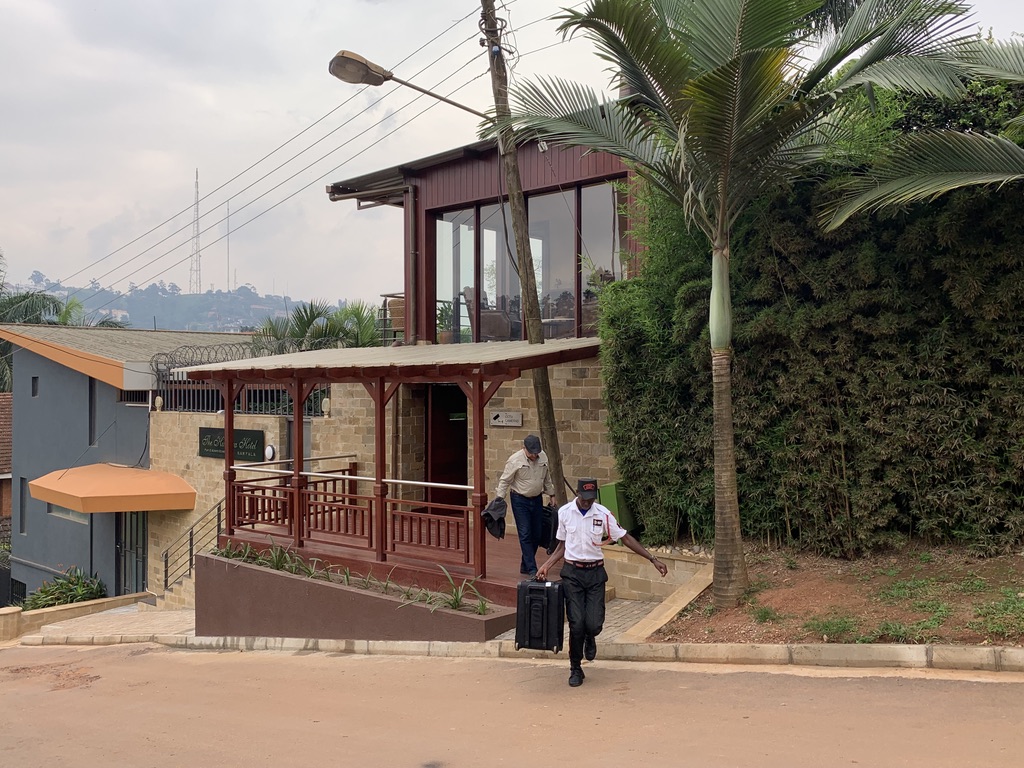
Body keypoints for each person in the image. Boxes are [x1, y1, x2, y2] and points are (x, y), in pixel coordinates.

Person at [537, 478, 668, 687]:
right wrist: (546, 565)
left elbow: (625, 537)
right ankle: (575, 668)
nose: (588, 503)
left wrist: (653, 559)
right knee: (576, 624)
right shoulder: (564, 513)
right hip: (572, 574)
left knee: (594, 624)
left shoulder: (603, 514)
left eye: (591, 499)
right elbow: (562, 545)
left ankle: (591, 636)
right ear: (577, 493)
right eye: (584, 498)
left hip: (595, 574)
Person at [494, 434, 556, 578]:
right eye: (531, 452)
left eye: (536, 452)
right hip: (519, 499)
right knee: (525, 533)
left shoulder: (543, 457)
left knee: (537, 533)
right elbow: (504, 481)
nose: (534, 455)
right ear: (524, 448)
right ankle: (532, 569)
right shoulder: (514, 460)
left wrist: (551, 494)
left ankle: (525, 565)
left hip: (537, 498)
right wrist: (499, 499)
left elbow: (546, 478)